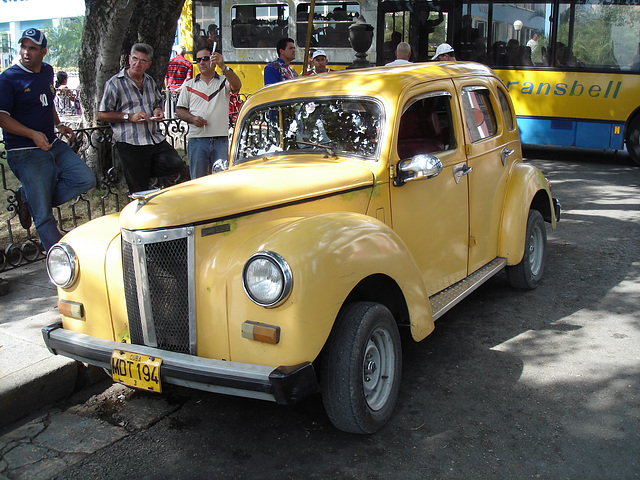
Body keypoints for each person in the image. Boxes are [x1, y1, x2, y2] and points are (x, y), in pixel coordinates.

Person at [0, 28, 96, 251]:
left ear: (43, 52)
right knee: (43, 216)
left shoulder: (47, 71)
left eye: (32, 48)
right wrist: (32, 134)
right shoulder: (8, 78)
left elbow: (47, 100)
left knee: (86, 179)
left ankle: (29, 198)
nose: (26, 52)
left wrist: (58, 124)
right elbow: (2, 118)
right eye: (23, 47)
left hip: (52, 144)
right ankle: (60, 263)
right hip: (25, 151)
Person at [98, 43, 184, 194]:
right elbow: (102, 114)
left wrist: (158, 110)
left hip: (153, 137)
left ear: (148, 64)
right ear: (130, 59)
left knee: (175, 163)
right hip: (130, 141)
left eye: (143, 61)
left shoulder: (149, 81)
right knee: (139, 189)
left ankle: (142, 174)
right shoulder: (115, 83)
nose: (138, 64)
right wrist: (128, 117)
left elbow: (158, 101)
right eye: (135, 59)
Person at [176, 46, 241, 179]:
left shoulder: (223, 81)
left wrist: (223, 67)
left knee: (221, 180)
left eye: (205, 59)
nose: (201, 63)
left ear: (213, 60)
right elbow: (179, 110)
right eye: (198, 60)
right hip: (197, 139)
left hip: (220, 140)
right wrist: (193, 119)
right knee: (197, 180)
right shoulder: (190, 84)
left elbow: (237, 86)